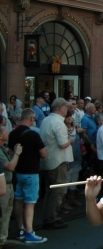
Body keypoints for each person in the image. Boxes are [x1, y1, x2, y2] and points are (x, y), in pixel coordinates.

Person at [8, 109, 47, 243]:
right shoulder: (33, 134)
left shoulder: (12, 134)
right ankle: (30, 232)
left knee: (18, 200)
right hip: (31, 172)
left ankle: (20, 229)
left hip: (17, 172)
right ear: (31, 119)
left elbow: (10, 151)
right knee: (30, 203)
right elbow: (44, 154)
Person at [40, 98, 74, 229]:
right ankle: (51, 218)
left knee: (50, 191)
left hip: (48, 160)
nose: (67, 110)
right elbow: (63, 144)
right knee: (57, 191)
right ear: (60, 108)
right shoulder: (58, 123)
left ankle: (48, 217)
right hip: (58, 161)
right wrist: (71, 140)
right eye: (66, 108)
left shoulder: (46, 120)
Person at [0, 125, 23, 248]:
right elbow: (10, 166)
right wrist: (17, 154)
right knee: (3, 212)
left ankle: (3, 238)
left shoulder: (3, 148)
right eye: (5, 131)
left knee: (7, 212)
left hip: (8, 184)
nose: (8, 133)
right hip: (3, 186)